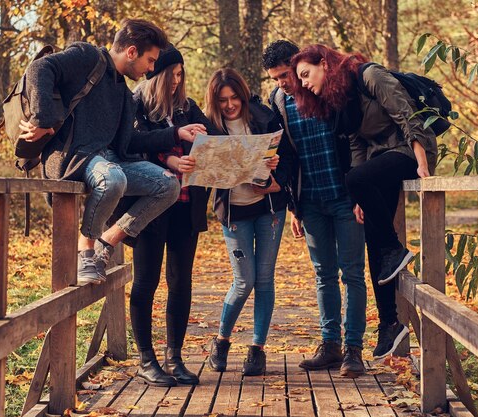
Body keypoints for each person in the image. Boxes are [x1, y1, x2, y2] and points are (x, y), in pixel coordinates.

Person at [19, 19, 206, 283]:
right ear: (131, 52)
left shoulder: (123, 93)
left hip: (110, 162)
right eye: (150, 61)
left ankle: (106, 243)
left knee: (168, 184)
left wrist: (175, 134)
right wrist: (43, 119)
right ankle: (85, 250)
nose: (151, 69)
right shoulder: (88, 57)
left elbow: (131, 142)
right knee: (113, 178)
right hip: (73, 157)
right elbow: (40, 67)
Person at [291, 44, 437, 359]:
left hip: (408, 150)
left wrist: (422, 161)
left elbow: (406, 113)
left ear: (324, 64)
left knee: (361, 194)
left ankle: (396, 248)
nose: (303, 84)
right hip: (378, 162)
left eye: (305, 75)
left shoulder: (369, 75)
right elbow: (358, 144)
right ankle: (390, 325)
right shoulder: (342, 99)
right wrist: (359, 196)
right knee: (374, 240)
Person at [262, 40, 366, 377]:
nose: (281, 83)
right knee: (324, 275)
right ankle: (330, 345)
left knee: (351, 273)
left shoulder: (328, 91)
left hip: (345, 199)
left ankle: (354, 350)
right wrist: (294, 206)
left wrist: (360, 193)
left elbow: (355, 140)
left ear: (296, 66)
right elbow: (288, 159)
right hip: (311, 202)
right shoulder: (279, 103)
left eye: (283, 75)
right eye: (275, 78)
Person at [130, 44, 219, 387]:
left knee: (180, 281)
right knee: (146, 280)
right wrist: (168, 160)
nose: (177, 81)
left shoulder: (188, 107)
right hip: (151, 207)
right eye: (172, 74)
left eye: (181, 75)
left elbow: (213, 140)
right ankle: (146, 359)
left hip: (186, 205)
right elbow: (131, 144)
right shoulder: (137, 105)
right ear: (156, 73)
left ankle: (174, 357)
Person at [203, 68, 295, 376]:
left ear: (243, 96)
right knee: (244, 281)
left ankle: (257, 350)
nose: (230, 105)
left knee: (265, 279)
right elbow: (204, 171)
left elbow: (287, 158)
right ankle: (221, 341)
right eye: (223, 100)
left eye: (235, 99)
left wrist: (276, 173)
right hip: (234, 212)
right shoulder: (209, 126)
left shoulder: (263, 117)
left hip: (268, 208)